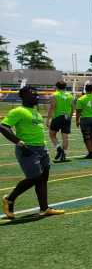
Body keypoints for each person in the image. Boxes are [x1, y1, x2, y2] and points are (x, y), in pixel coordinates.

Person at [1, 86, 65, 218]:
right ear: (23, 96)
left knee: (43, 179)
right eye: (33, 94)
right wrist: (19, 142)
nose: (36, 96)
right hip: (27, 149)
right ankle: (9, 199)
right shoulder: (18, 111)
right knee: (35, 177)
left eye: (37, 94)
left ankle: (44, 208)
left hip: (42, 148)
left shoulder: (34, 111)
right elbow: (3, 127)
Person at [46, 80, 73, 163]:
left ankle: (58, 148)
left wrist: (48, 119)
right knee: (65, 137)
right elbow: (73, 107)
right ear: (65, 87)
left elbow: (52, 107)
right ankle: (64, 155)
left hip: (57, 117)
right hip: (67, 117)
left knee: (52, 134)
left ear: (56, 87)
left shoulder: (54, 95)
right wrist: (70, 117)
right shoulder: (70, 95)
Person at [75, 84, 92, 159]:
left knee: (87, 137)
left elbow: (78, 111)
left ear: (85, 89)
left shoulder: (81, 99)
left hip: (85, 119)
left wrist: (77, 120)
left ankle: (90, 153)